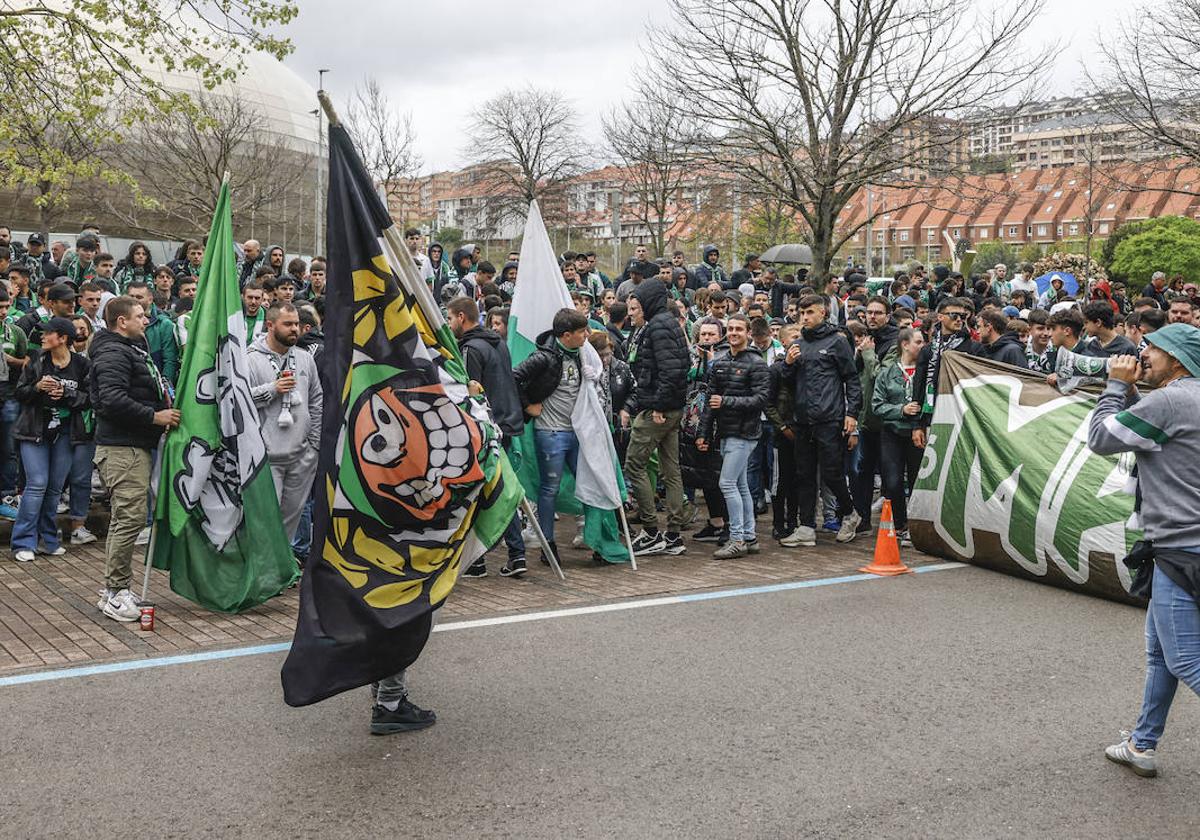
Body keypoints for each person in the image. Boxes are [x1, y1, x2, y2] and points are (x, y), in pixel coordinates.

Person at [1087, 324, 1200, 779]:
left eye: (1153, 348)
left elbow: (1102, 438)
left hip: (1179, 545)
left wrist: (1116, 385)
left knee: (1185, 659)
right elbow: (1153, 433)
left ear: (1177, 360)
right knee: (1159, 652)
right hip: (1181, 544)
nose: (1142, 353)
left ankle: (1142, 743)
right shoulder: (1180, 400)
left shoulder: (1170, 400)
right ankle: (1142, 743)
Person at [89, 296, 178, 622]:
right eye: (140, 315)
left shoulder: (127, 349)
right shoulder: (113, 352)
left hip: (132, 446)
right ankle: (115, 592)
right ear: (121, 321)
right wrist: (155, 417)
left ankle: (115, 589)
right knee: (129, 519)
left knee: (126, 519)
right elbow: (111, 400)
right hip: (122, 449)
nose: (146, 320)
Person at [447, 297, 527, 579]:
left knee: (482, 492)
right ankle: (515, 554)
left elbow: (471, 394)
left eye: (449, 319)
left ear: (461, 317)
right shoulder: (498, 343)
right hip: (506, 421)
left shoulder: (469, 348)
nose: (449, 324)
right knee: (501, 489)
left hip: (486, 427)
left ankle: (480, 561)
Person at [512, 308, 590, 565]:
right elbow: (513, 378)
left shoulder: (583, 355)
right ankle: (548, 544)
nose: (586, 336)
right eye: (581, 333)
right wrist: (527, 406)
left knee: (591, 483)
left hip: (578, 432)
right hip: (552, 433)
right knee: (550, 489)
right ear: (566, 335)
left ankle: (597, 538)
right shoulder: (544, 357)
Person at [784, 295, 863, 543]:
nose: (805, 317)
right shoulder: (797, 344)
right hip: (803, 418)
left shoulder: (837, 342)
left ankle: (850, 514)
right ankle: (806, 526)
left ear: (822, 313)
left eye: (809, 312)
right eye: (801, 313)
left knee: (832, 474)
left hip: (830, 418)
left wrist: (852, 414)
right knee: (804, 474)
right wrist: (788, 363)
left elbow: (852, 379)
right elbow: (786, 382)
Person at [10, 318, 91, 562]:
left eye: (47, 333)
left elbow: (91, 398)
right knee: (36, 484)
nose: (42, 337)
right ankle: (23, 541)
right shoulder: (36, 360)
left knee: (55, 488)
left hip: (66, 433)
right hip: (34, 431)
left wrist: (67, 393)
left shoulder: (82, 364)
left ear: (63, 338)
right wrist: (37, 388)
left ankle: (48, 539)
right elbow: (20, 393)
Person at [623, 279, 690, 557]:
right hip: (672, 408)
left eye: (636, 305)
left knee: (634, 466)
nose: (631, 312)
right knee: (671, 470)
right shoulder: (668, 322)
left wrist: (659, 406)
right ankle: (673, 535)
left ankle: (650, 531)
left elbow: (671, 371)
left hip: (659, 410)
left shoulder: (659, 326)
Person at [246, 303, 322, 541]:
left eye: (297, 324)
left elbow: (316, 400)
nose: (295, 329)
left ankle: (281, 574)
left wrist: (314, 446)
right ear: (270, 325)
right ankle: (262, 574)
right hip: (266, 459)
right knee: (265, 523)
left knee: (291, 521)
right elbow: (241, 401)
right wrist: (272, 389)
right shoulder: (250, 359)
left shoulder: (304, 358)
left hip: (301, 457)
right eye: (288, 324)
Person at [696, 313, 769, 558]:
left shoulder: (757, 363)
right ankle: (749, 536)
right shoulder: (719, 361)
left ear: (749, 333)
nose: (734, 333)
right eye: (731, 329)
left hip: (744, 433)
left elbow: (761, 399)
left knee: (727, 483)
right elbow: (709, 401)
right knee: (740, 485)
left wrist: (726, 401)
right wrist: (703, 433)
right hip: (726, 433)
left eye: (739, 329)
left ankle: (737, 537)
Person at [871, 327, 926, 545]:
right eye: (919, 342)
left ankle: (916, 526)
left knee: (917, 482)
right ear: (905, 344)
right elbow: (877, 405)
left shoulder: (927, 371)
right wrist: (900, 410)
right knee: (892, 482)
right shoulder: (887, 372)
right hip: (892, 433)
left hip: (917, 433)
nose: (923, 346)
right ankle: (901, 524)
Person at [911, 297, 985, 448]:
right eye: (954, 315)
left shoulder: (974, 349)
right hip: (932, 414)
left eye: (963, 316)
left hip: (963, 417)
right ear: (940, 317)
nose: (959, 320)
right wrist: (917, 425)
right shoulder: (927, 350)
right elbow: (918, 387)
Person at [125, 281, 180, 385]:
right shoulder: (122, 323)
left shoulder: (164, 324)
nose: (134, 300)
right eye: (131, 296)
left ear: (150, 299)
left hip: (155, 385)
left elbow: (170, 360)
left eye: (139, 297)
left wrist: (165, 386)